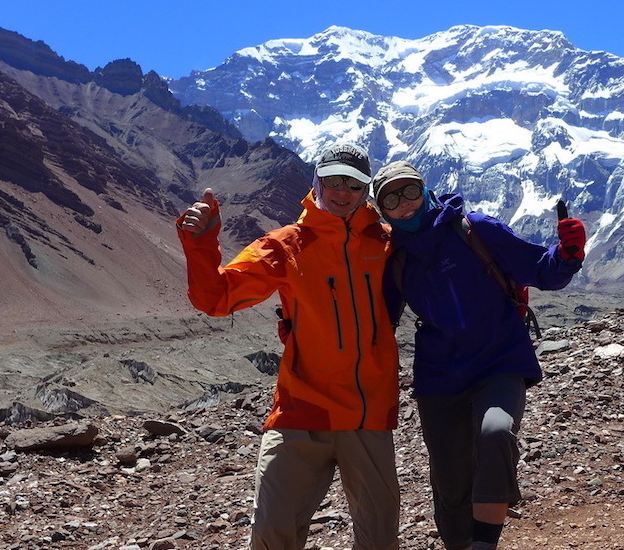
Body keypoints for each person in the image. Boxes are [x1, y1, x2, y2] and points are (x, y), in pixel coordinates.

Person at [176, 143, 401, 550]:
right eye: (333, 179)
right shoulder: (285, 246)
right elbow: (216, 299)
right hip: (301, 410)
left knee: (380, 538)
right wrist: (201, 242)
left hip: (368, 412)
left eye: (353, 183)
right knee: (271, 532)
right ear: (316, 181)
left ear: (366, 189)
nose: (342, 190)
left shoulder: (388, 243)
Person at [372, 161, 586, 550]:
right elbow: (376, 323)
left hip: (498, 361)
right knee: (450, 483)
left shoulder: (475, 230)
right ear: (381, 210)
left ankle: (484, 544)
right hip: (439, 378)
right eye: (392, 198)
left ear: (425, 190)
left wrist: (568, 253)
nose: (404, 204)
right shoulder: (396, 259)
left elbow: (542, 271)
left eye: (410, 192)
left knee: (496, 432)